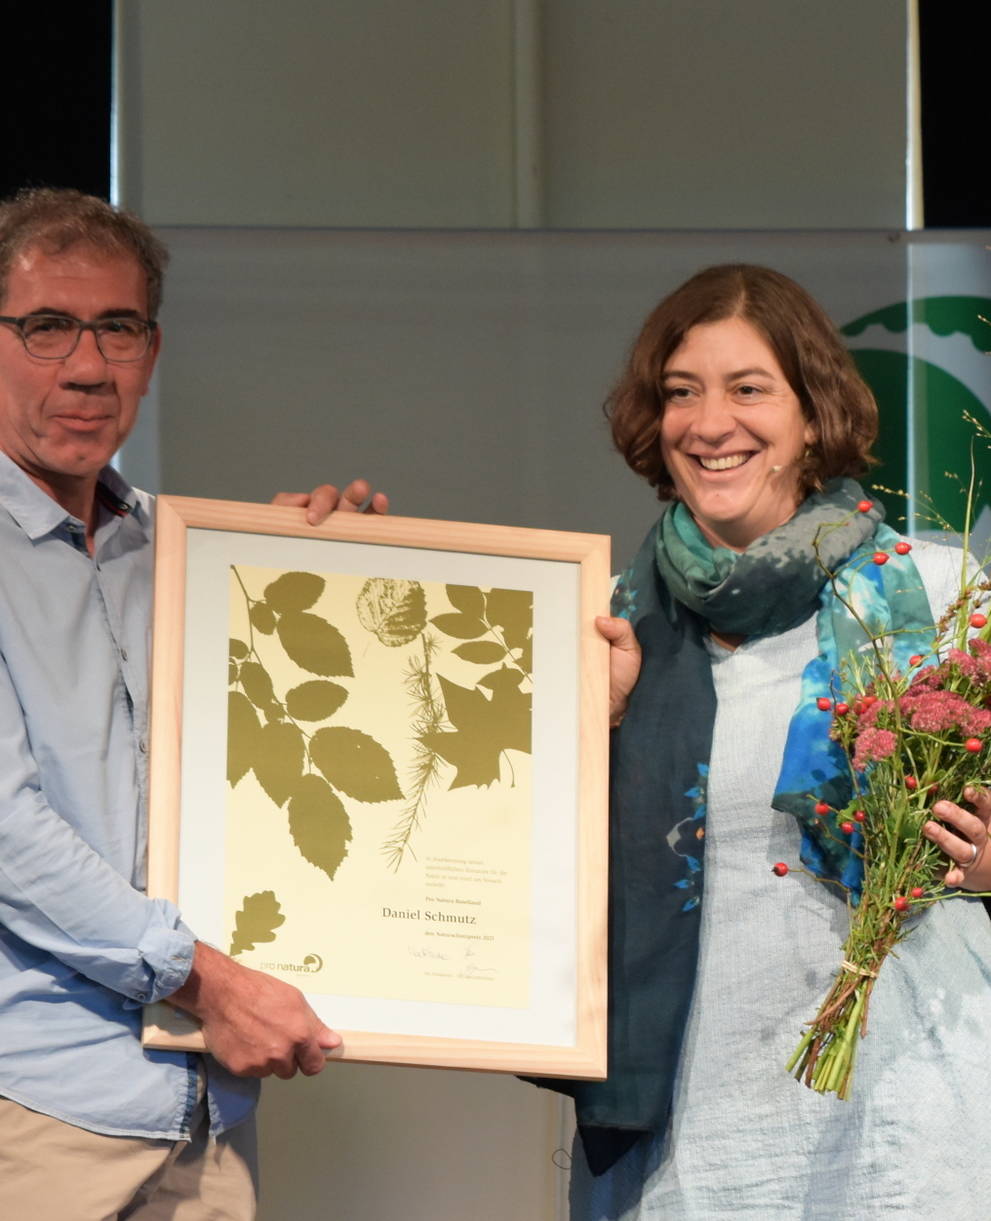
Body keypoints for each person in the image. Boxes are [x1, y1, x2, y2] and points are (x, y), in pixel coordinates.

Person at [552, 265, 991, 1218]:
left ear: (811, 414)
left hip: (900, 1127)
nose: (710, 424)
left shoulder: (943, 596)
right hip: (688, 1136)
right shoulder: (603, 633)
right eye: (680, 392)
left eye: (749, 388)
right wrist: (601, 729)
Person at [0, 187, 387, 1219]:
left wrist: (345, 577)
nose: (87, 365)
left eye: (117, 328)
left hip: (207, 1119)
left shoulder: (189, 555)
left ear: (152, 352)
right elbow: (9, 837)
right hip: (37, 1118)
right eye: (45, 328)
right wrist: (211, 984)